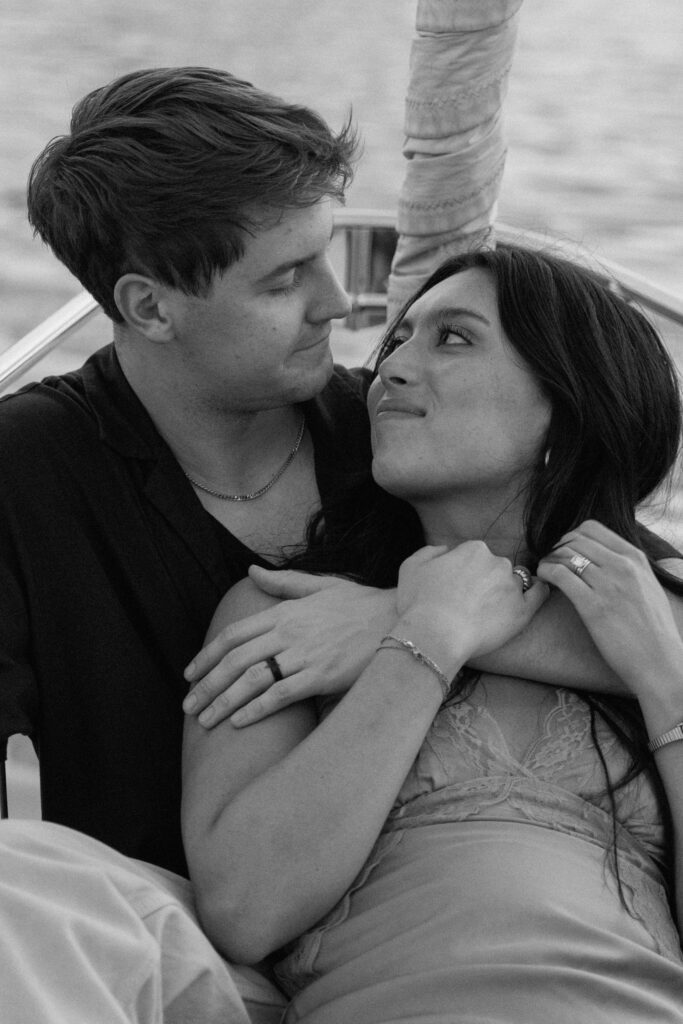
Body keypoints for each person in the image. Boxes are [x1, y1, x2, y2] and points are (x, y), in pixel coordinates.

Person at [1, 0, 681, 1021]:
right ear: (149, 307)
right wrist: (422, 634)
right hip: (164, 944)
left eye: (327, 255)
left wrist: (397, 622)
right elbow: (240, 903)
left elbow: (645, 606)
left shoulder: (394, 438)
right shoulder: (26, 472)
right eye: (286, 279)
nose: (342, 307)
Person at [182, 244, 683, 1023]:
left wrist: (663, 682)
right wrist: (425, 640)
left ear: (564, 407)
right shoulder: (284, 612)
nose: (389, 369)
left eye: (452, 338)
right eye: (396, 340)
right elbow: (246, 909)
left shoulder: (655, 615)